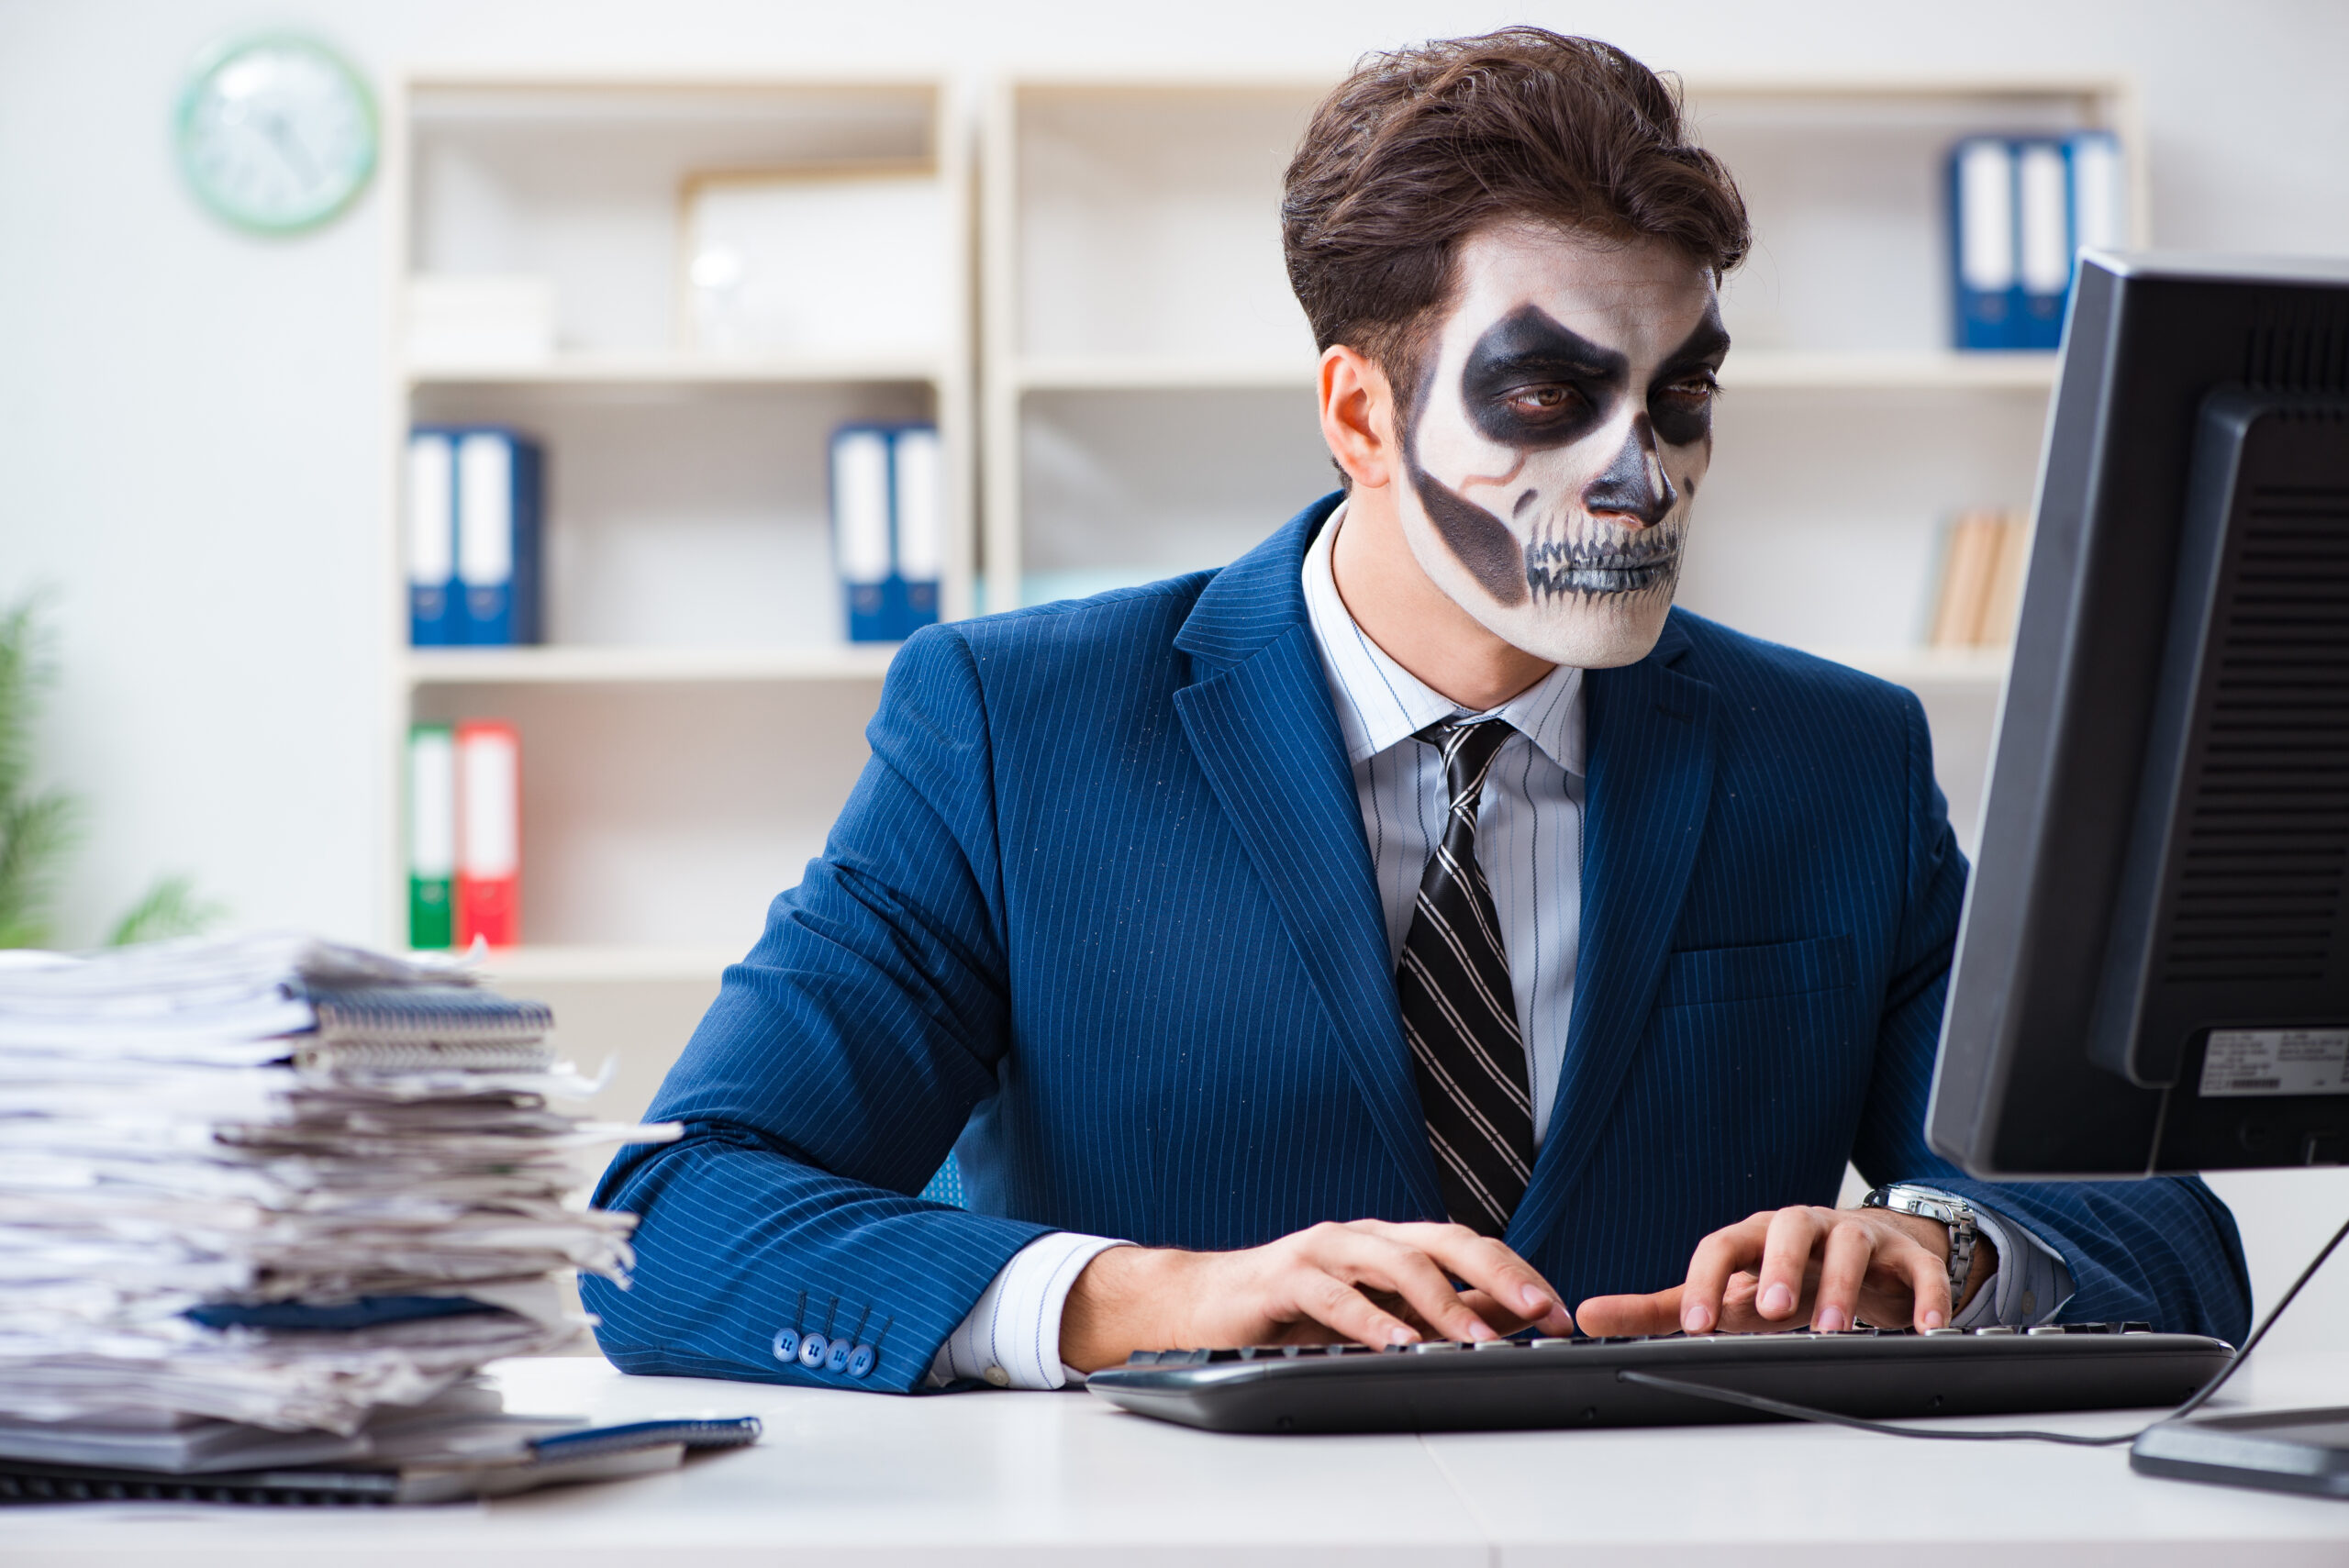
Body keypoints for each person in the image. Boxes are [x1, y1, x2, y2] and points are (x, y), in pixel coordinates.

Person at [586, 29, 2249, 1394]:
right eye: (1549, 392)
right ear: (1359, 411)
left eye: (1680, 396)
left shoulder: (1837, 761)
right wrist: (1149, 1294)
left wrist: (1950, 1248)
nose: (1638, 469)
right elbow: (672, 1221)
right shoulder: (1017, 730)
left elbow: (2170, 1236)